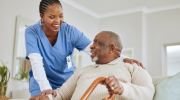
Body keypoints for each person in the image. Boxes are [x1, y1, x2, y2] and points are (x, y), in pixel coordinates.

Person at [26, 0, 145, 97]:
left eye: (61, 16)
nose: (57, 21)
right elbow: (36, 63)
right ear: (41, 16)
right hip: (41, 82)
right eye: (52, 17)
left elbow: (94, 50)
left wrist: (123, 58)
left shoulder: (70, 31)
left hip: (66, 83)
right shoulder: (31, 32)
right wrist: (46, 89)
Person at [29, 31, 154, 100]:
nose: (91, 46)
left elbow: (148, 93)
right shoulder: (83, 71)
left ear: (111, 49)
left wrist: (122, 88)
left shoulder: (132, 67)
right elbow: (61, 95)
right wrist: (48, 99)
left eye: (97, 43)